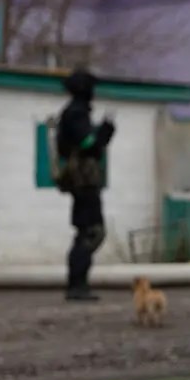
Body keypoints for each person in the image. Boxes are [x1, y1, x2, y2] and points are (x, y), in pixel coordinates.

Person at [53, 69, 115, 302]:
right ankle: (77, 284)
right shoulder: (77, 114)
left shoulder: (72, 112)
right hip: (84, 180)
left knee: (86, 230)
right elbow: (88, 144)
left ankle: (78, 283)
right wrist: (105, 132)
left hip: (81, 179)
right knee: (91, 231)